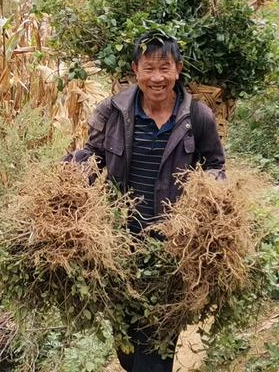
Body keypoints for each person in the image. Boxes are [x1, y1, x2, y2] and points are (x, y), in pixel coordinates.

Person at [65, 32, 226, 372]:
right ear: (135, 69)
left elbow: (215, 165)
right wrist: (67, 178)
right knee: (128, 348)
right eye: (149, 68)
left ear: (178, 70)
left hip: (170, 251)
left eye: (164, 68)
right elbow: (93, 158)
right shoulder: (111, 112)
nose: (157, 78)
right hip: (120, 247)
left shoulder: (197, 117)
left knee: (154, 353)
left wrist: (210, 193)